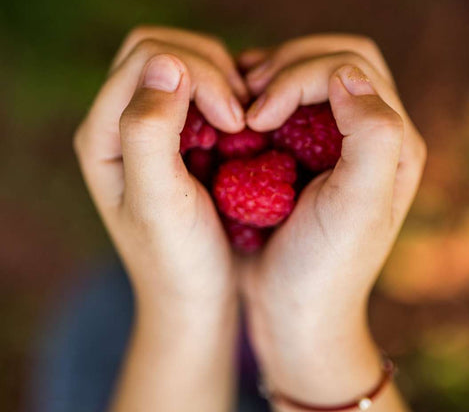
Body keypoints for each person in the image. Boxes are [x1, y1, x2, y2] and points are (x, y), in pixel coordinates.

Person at [69, 27, 426, 412]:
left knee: (104, 313)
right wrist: (315, 335)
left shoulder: (99, 323)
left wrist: (178, 310)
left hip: (133, 343)